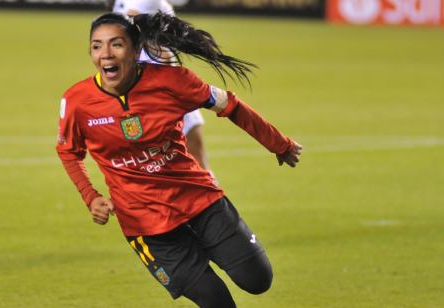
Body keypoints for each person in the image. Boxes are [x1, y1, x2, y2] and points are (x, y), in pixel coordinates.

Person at [56, 12, 302, 307]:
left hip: (199, 200)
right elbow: (69, 151)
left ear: (135, 50)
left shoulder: (172, 80)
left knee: (258, 280)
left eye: (116, 45)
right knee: (215, 301)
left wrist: (278, 144)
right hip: (146, 224)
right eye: (97, 46)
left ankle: (206, 243)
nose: (105, 54)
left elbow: (231, 105)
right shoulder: (77, 102)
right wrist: (91, 196)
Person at [107, 0, 214, 180]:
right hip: (144, 94)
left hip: (170, 90)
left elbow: (167, 41)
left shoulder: (148, 2)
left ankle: (213, 197)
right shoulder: (120, 5)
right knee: (158, 163)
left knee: (195, 155)